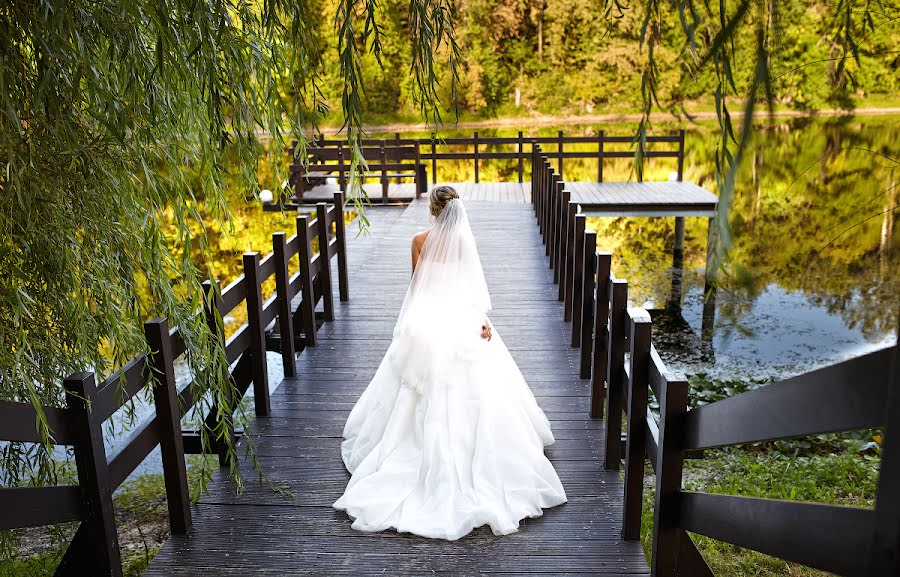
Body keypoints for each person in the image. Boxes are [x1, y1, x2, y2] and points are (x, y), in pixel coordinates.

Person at [333, 186, 566, 540]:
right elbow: (470, 293)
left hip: (428, 326)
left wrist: (410, 331)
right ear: (456, 209)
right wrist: (480, 323)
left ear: (434, 210)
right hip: (460, 324)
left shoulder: (418, 241)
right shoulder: (464, 242)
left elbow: (417, 293)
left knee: (412, 384)